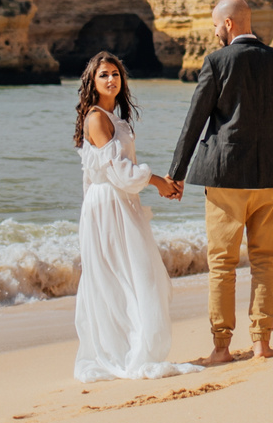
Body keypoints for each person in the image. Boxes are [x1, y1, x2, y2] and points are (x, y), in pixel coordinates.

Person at [168, 0, 273, 365]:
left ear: (228, 24)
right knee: (265, 260)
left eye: (215, 25)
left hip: (225, 176)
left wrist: (176, 174)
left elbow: (194, 121)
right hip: (270, 177)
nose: (214, 32)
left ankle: (221, 347)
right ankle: (262, 342)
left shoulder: (217, 61)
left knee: (223, 265)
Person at [70, 52, 197, 383]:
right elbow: (121, 173)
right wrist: (158, 182)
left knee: (137, 275)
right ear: (92, 82)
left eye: (115, 74)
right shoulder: (97, 119)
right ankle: (126, 353)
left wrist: (159, 183)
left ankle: (133, 348)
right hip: (108, 206)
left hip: (121, 203)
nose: (111, 79)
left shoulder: (115, 118)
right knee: (128, 276)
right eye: (103, 75)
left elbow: (122, 173)